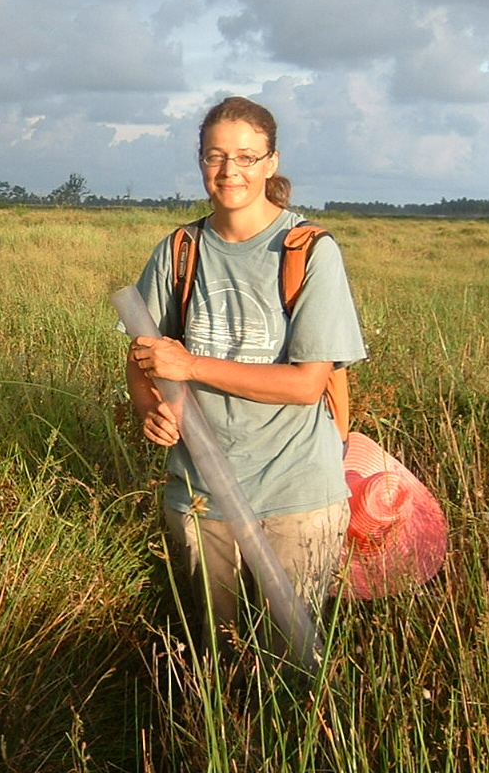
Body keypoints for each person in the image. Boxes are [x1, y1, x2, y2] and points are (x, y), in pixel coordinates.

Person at [125, 96, 367, 666]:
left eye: (246, 156)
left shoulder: (308, 251)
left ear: (270, 162)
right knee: (216, 653)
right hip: (200, 494)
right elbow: (141, 357)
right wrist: (147, 408)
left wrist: (191, 366)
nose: (230, 171)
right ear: (200, 162)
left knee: (291, 659)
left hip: (296, 494)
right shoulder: (178, 252)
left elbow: (308, 384)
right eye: (215, 156)